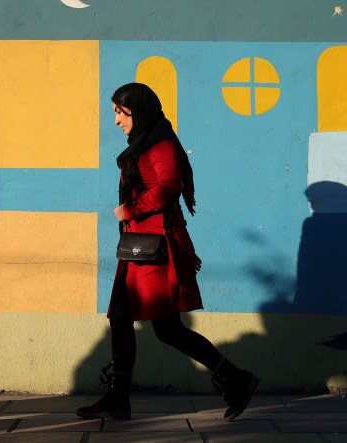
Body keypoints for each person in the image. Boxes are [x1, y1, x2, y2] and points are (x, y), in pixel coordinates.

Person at [77, 83, 259, 421]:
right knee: (123, 318)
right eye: (114, 112)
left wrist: (129, 210)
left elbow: (168, 188)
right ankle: (119, 397)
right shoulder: (145, 142)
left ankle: (236, 378)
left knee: (166, 328)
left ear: (138, 110)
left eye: (120, 112)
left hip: (153, 250)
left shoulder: (160, 143)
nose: (116, 120)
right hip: (139, 247)